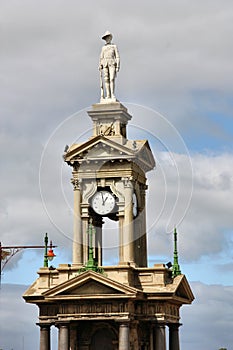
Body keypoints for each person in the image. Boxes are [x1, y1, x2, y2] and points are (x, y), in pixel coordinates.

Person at [99, 31, 120, 100]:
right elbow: (101, 57)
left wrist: (118, 66)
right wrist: (100, 64)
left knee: (112, 78)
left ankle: (112, 94)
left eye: (108, 37)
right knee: (106, 79)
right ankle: (108, 95)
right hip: (105, 64)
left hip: (112, 63)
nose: (107, 39)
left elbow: (117, 56)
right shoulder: (103, 48)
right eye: (106, 38)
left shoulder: (114, 46)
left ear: (110, 38)